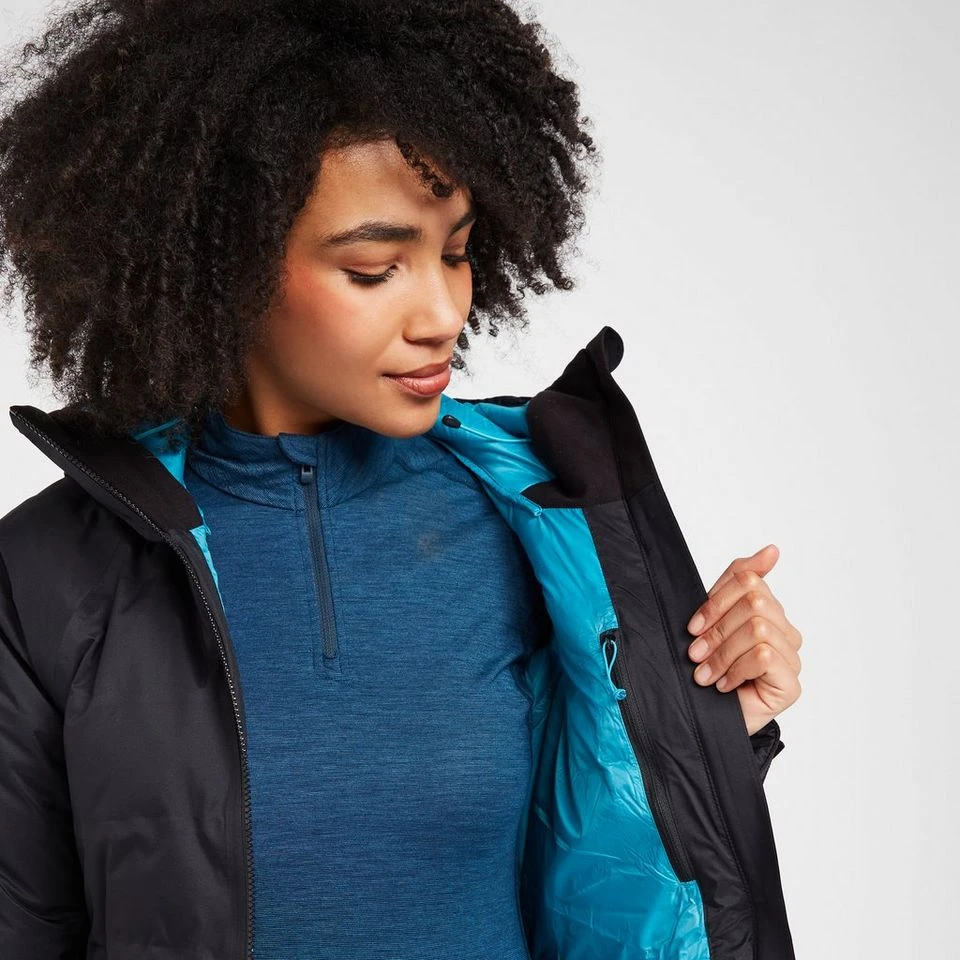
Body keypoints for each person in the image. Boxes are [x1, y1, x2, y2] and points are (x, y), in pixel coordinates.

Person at [0, 2, 803, 958]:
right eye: (377, 268)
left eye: (456, 252)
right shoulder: (49, 572)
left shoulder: (540, 517)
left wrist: (709, 725)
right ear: (220, 268)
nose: (443, 313)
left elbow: (609, 870)